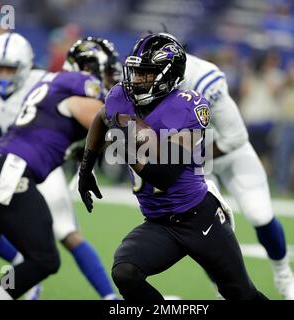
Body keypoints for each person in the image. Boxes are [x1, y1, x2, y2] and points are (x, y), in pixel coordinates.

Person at [78, 33, 267, 300]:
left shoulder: (187, 107)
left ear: (169, 76)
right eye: (135, 71)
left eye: (146, 73)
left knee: (240, 293)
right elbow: (101, 117)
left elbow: (165, 175)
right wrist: (86, 169)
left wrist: (124, 144)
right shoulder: (120, 96)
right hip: (158, 222)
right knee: (125, 273)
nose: (136, 80)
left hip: (199, 218)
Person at [0, 37, 117, 300]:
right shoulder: (81, 87)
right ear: (93, 68)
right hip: (11, 173)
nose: (112, 77)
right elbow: (103, 123)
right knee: (44, 260)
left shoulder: (51, 83)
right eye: (109, 70)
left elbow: (58, 129)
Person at [182, 43, 294, 299]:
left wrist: (187, 157)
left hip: (226, 152)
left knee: (259, 214)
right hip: (194, 162)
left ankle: (285, 278)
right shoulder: (145, 88)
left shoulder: (204, 79)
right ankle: (223, 289)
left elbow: (236, 136)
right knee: (207, 229)